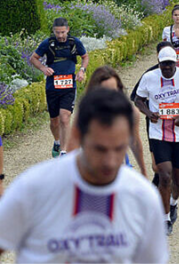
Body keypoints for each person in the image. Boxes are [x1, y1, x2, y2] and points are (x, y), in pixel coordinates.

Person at [0, 89, 169, 262]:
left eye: (119, 149)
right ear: (77, 136)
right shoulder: (33, 187)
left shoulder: (142, 196)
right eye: (100, 149)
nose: (110, 162)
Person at [135, 47, 179, 235]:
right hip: (158, 133)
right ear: (159, 63)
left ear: (176, 63)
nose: (167, 68)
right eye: (164, 64)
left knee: (178, 182)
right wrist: (149, 114)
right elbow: (138, 100)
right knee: (164, 175)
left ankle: (173, 204)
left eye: (170, 64)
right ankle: (164, 219)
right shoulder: (149, 77)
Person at [29, 17, 89, 157]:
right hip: (52, 87)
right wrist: (43, 68)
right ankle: (57, 141)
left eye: (63, 32)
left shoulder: (74, 42)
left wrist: (81, 70)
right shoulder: (48, 43)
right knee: (54, 121)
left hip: (69, 86)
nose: (60, 36)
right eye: (57, 32)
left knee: (64, 117)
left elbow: (85, 56)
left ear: (67, 30)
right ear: (53, 31)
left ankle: (64, 151)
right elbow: (33, 58)